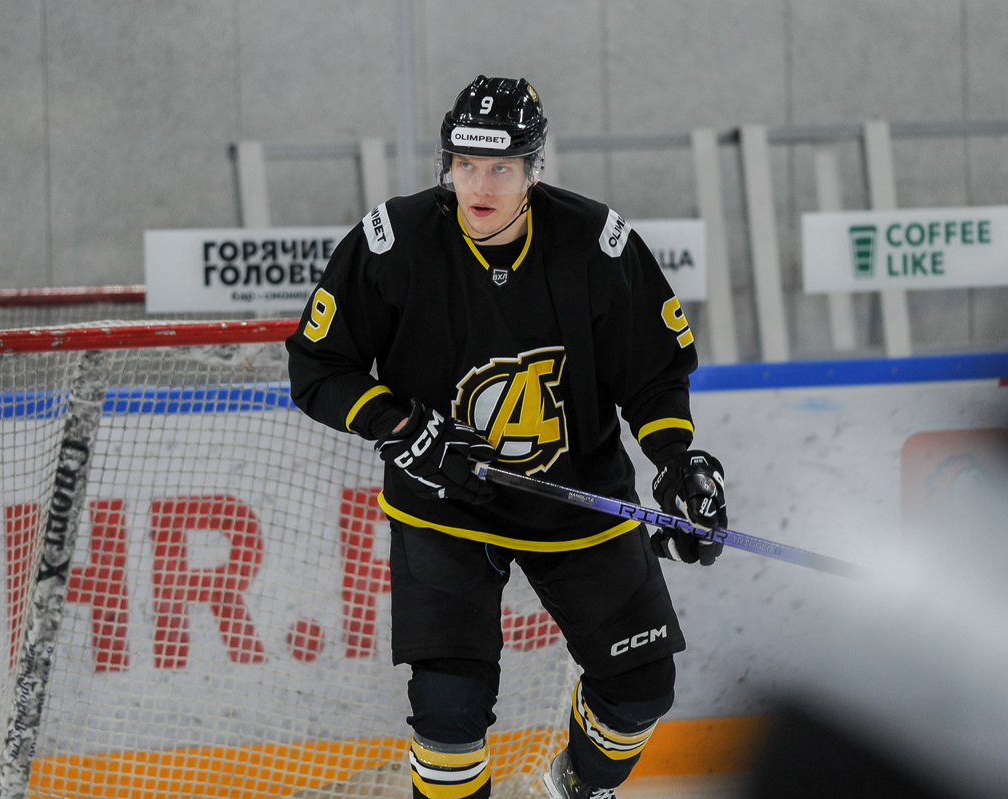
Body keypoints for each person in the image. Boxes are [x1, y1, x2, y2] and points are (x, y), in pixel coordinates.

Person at [287, 75, 728, 799]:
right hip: (444, 508)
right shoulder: (394, 243)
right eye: (464, 164)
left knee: (642, 687)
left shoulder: (598, 246)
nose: (479, 185)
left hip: (578, 501)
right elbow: (317, 366)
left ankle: (573, 787)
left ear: (533, 168)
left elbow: (652, 373)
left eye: (499, 167)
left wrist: (676, 462)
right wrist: (400, 427)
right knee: (448, 714)